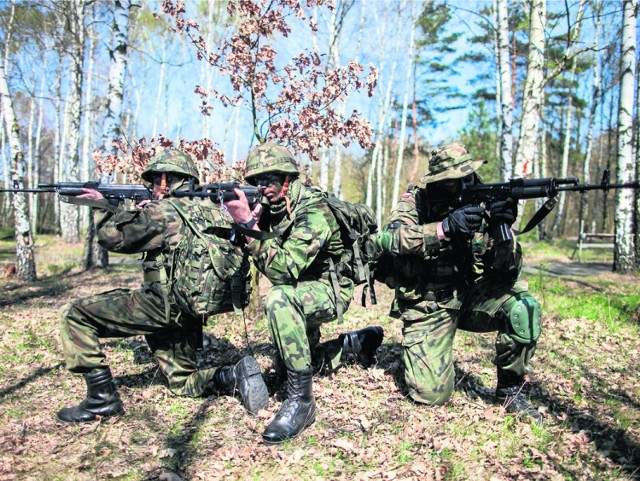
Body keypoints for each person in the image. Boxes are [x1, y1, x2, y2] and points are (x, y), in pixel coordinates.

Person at [57, 149, 269, 423]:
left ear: (167, 180)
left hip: (161, 306)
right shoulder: (214, 211)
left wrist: (102, 205)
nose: (153, 188)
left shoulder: (163, 210)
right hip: (190, 310)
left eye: (156, 181)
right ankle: (232, 375)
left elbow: (115, 239)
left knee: (75, 314)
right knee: (183, 382)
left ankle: (101, 400)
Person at [225, 142, 384, 444]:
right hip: (304, 288)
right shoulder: (273, 208)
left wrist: (248, 225)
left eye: (268, 180)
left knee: (279, 297)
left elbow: (283, 269)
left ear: (287, 179)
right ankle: (354, 343)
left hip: (330, 290)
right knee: (296, 365)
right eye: (256, 181)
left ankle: (302, 403)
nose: (262, 188)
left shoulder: (313, 210)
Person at [376, 142, 543, 423]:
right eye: (454, 181)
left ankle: (510, 391)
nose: (463, 185)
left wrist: (503, 228)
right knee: (431, 395)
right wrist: (444, 228)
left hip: (470, 296)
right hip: (428, 304)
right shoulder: (417, 200)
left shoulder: (485, 199)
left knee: (522, 307)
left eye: (467, 178)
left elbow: (507, 272)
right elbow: (388, 240)